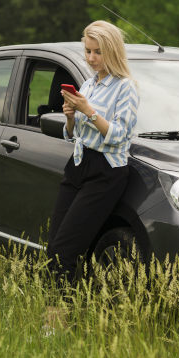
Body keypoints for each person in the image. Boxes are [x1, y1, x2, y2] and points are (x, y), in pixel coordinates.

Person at [46, 20, 139, 283]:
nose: (91, 58)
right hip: (77, 164)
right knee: (54, 248)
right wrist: (71, 117)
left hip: (105, 171)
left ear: (112, 51)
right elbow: (73, 135)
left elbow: (120, 136)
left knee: (65, 250)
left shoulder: (126, 87)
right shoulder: (88, 85)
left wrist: (88, 111)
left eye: (98, 52)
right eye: (88, 51)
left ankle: (54, 321)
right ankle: (56, 318)